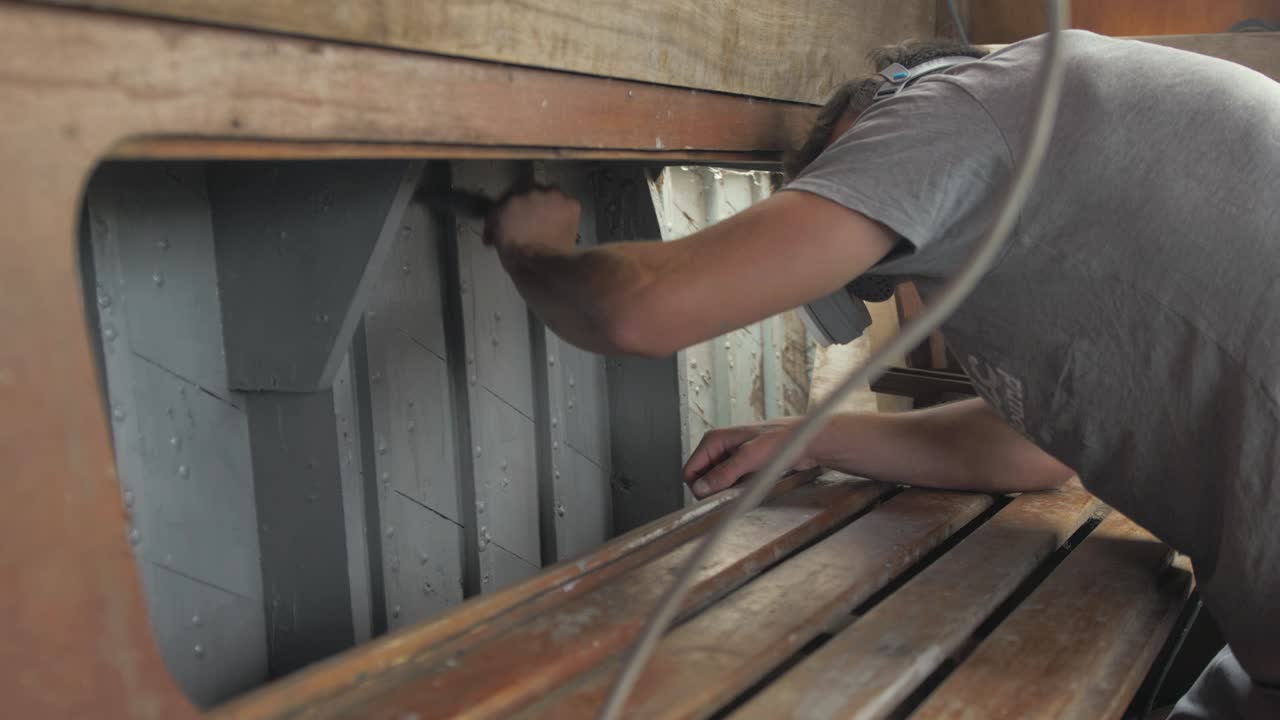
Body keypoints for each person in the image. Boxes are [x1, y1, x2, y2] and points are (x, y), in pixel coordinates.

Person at [482, 30, 1280, 718]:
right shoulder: (1066, 123)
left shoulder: (945, 105)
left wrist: (532, 249)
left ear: (871, 122)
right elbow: (1035, 449)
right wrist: (814, 435)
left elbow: (639, 311)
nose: (899, 277)